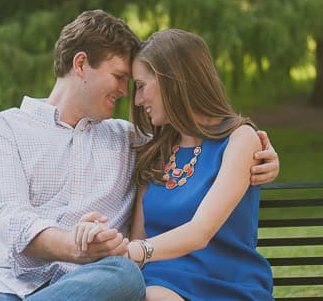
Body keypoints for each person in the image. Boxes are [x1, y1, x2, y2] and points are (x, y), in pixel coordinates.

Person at [0, 11, 280, 301]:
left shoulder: (133, 141)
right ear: (81, 64)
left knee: (123, 276)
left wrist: (261, 154)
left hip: (88, 288)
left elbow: (201, 139)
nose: (128, 95)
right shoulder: (2, 131)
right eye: (120, 78)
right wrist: (78, 246)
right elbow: (10, 221)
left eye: (135, 83)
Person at [77, 29, 274, 300]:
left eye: (142, 86)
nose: (136, 100)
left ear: (173, 80)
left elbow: (200, 232)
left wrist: (131, 252)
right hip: (157, 282)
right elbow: (139, 235)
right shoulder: (155, 151)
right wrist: (105, 240)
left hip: (224, 284)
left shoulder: (240, 139)